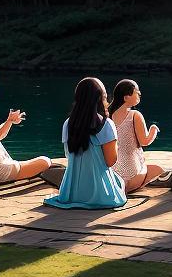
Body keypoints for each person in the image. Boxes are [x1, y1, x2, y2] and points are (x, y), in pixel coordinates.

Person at [44, 77, 126, 210]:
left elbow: (68, 156)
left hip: (70, 193)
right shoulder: (106, 124)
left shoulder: (68, 124)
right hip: (102, 195)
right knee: (120, 183)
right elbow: (111, 161)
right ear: (101, 98)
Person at [109, 79, 165, 192]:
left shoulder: (108, 116)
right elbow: (145, 141)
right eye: (136, 91)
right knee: (158, 171)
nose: (139, 93)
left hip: (113, 174)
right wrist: (153, 130)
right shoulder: (134, 115)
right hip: (133, 175)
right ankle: (133, 187)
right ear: (126, 97)